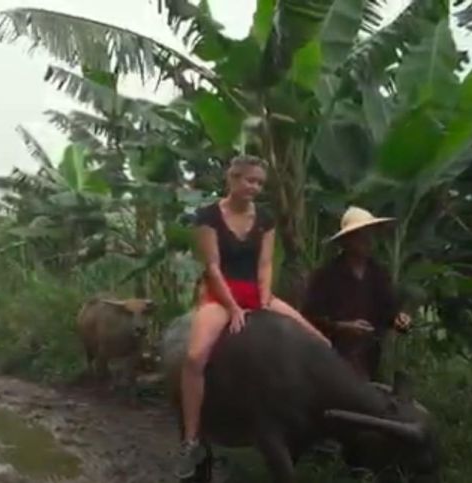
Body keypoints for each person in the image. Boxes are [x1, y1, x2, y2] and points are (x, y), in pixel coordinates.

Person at [175, 155, 331, 479]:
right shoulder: (208, 216)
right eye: (249, 180)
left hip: (257, 292)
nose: (254, 188)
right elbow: (212, 267)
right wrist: (232, 308)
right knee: (194, 357)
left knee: (321, 342)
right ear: (232, 178)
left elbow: (264, 264)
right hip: (221, 295)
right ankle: (190, 440)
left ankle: (318, 428)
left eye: (259, 183)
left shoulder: (266, 219)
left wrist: (263, 298)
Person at [302, 206, 413, 382]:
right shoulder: (326, 275)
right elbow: (309, 318)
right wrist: (342, 327)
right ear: (347, 241)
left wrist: (400, 320)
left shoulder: (378, 274)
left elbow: (389, 311)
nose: (367, 241)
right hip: (334, 356)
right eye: (361, 236)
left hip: (370, 357)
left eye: (369, 235)